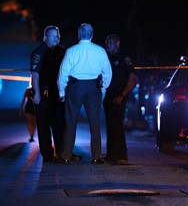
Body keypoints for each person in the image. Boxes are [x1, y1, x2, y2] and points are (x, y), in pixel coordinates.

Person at [57, 23, 112, 164]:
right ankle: (96, 156)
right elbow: (108, 72)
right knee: (95, 124)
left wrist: (62, 92)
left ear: (79, 34)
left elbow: (63, 73)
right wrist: (103, 88)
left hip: (75, 87)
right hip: (94, 88)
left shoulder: (71, 51)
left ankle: (66, 156)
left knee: (70, 123)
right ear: (92, 35)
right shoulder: (100, 51)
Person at [30, 25, 66, 162]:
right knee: (44, 125)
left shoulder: (61, 51)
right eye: (52, 36)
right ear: (45, 37)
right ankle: (47, 154)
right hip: (44, 95)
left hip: (57, 94)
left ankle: (61, 152)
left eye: (57, 35)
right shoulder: (39, 52)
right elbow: (35, 74)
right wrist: (37, 94)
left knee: (59, 124)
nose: (56, 38)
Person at [103, 34, 137, 164]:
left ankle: (113, 155)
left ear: (118, 44)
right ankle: (121, 154)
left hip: (118, 93)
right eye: (107, 43)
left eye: (111, 42)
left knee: (114, 125)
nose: (108, 45)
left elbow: (132, 78)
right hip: (110, 93)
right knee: (115, 125)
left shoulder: (124, 58)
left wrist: (122, 95)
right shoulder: (108, 58)